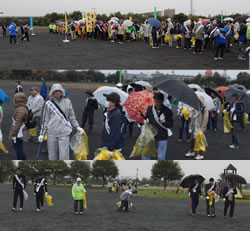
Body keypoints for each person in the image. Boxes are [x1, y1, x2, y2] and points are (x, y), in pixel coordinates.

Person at [39, 84, 83, 160]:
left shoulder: (67, 102)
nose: (57, 93)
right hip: (52, 132)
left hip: (64, 132)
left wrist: (77, 126)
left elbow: (71, 116)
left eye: (59, 91)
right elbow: (45, 119)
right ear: (52, 92)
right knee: (52, 155)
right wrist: (42, 133)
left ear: (62, 92)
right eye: (55, 91)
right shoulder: (48, 103)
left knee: (64, 155)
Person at [146, 93, 174, 160]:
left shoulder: (168, 111)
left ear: (162, 101)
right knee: (146, 153)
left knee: (161, 156)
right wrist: (145, 121)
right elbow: (147, 118)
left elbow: (170, 125)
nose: (156, 103)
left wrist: (164, 121)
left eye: (158, 101)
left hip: (162, 135)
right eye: (155, 101)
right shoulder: (150, 109)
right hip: (150, 133)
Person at [185, 96, 209, 160]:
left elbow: (205, 119)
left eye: (199, 101)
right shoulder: (195, 108)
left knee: (200, 141)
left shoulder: (205, 109)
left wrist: (202, 129)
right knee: (192, 140)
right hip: (194, 127)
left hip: (199, 128)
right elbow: (192, 118)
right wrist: (190, 127)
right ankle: (191, 151)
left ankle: (200, 154)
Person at [11, 93, 28, 160]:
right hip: (20, 131)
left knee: (18, 147)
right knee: (19, 147)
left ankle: (21, 159)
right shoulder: (22, 107)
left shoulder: (20, 109)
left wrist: (14, 134)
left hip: (18, 132)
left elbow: (18, 123)